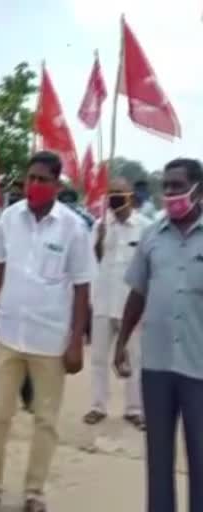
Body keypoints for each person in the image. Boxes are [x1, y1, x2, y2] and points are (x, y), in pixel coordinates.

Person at [0, 151, 93, 512]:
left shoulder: (73, 228)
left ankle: (34, 493)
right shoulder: (8, 219)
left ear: (57, 184)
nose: (34, 185)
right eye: (30, 179)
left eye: (42, 179)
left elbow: (82, 287)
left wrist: (76, 341)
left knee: (45, 421)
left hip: (50, 340)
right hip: (9, 334)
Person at [116, 158, 203, 512]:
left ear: (198, 190)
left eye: (177, 186)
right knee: (158, 459)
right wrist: (121, 342)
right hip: (157, 366)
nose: (169, 193)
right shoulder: (152, 234)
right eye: (165, 185)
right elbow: (137, 293)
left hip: (199, 368)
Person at [83, 177, 151, 431]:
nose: (114, 197)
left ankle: (134, 409)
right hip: (102, 302)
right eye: (110, 193)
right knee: (99, 357)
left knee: (134, 359)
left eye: (119, 193)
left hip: (131, 306)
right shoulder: (101, 225)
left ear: (131, 196)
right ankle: (97, 406)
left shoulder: (145, 227)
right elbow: (94, 260)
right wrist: (100, 239)